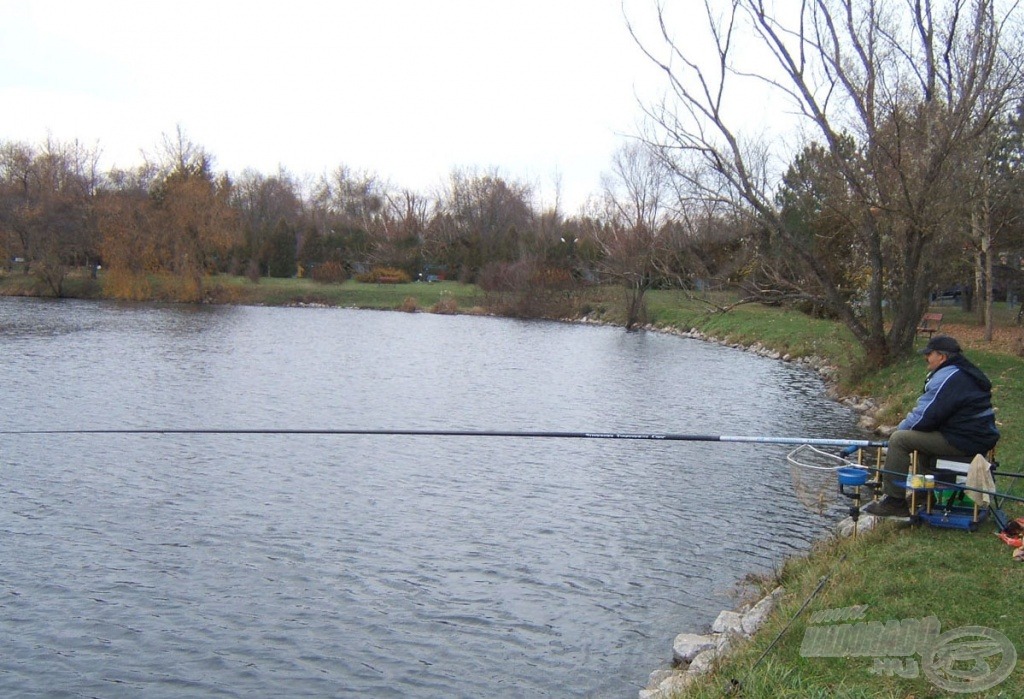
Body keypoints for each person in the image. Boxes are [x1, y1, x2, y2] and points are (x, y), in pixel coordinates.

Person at [864, 334, 1000, 517]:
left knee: (900, 440)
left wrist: (897, 430)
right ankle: (923, 495)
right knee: (921, 437)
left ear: (942, 356)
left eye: (929, 354)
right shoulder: (961, 372)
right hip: (975, 436)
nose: (926, 358)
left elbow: (924, 416)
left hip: (966, 440)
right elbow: (931, 418)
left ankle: (894, 502)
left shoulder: (947, 378)